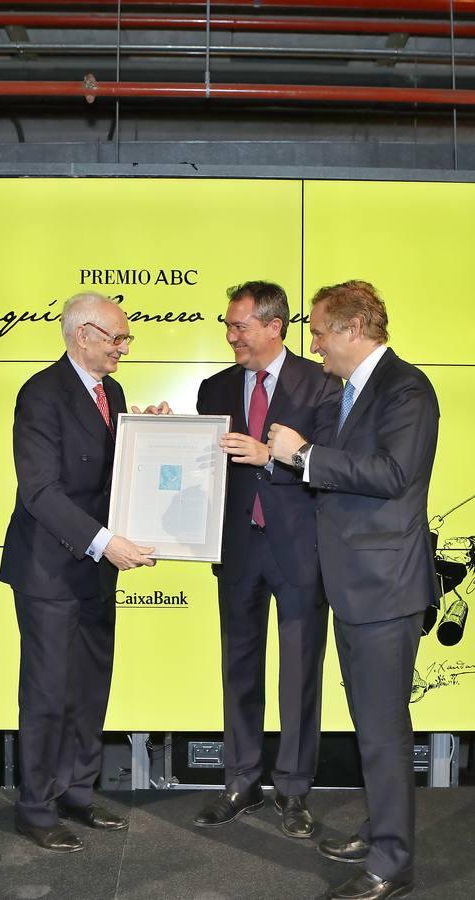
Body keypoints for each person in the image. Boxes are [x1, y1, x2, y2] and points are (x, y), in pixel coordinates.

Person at [268, 280, 439, 900]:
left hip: (384, 587)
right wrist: (283, 456)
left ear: (351, 329)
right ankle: (381, 829)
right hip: (357, 583)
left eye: (317, 333)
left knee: (384, 726)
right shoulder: (352, 390)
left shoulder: (407, 388)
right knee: (373, 723)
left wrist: (307, 453)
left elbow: (394, 473)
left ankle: (393, 863)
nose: (313, 346)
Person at [0, 292, 167, 853]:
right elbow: (40, 491)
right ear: (83, 335)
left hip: (96, 566)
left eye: (125, 339)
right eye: (118, 338)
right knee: (47, 690)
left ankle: (75, 790)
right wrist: (104, 542)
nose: (124, 348)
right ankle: (36, 805)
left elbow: (114, 472)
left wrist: (150, 433)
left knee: (91, 684)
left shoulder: (111, 392)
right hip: (50, 568)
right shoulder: (41, 394)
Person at [194, 281, 342, 839]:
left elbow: (330, 462)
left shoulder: (322, 383)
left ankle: (295, 790)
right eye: (228, 326)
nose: (231, 336)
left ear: (275, 325)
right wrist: (159, 426)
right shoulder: (214, 388)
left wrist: (271, 459)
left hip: (300, 548)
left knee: (301, 671)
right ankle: (240, 781)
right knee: (239, 667)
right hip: (235, 547)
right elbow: (199, 464)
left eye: (240, 326)